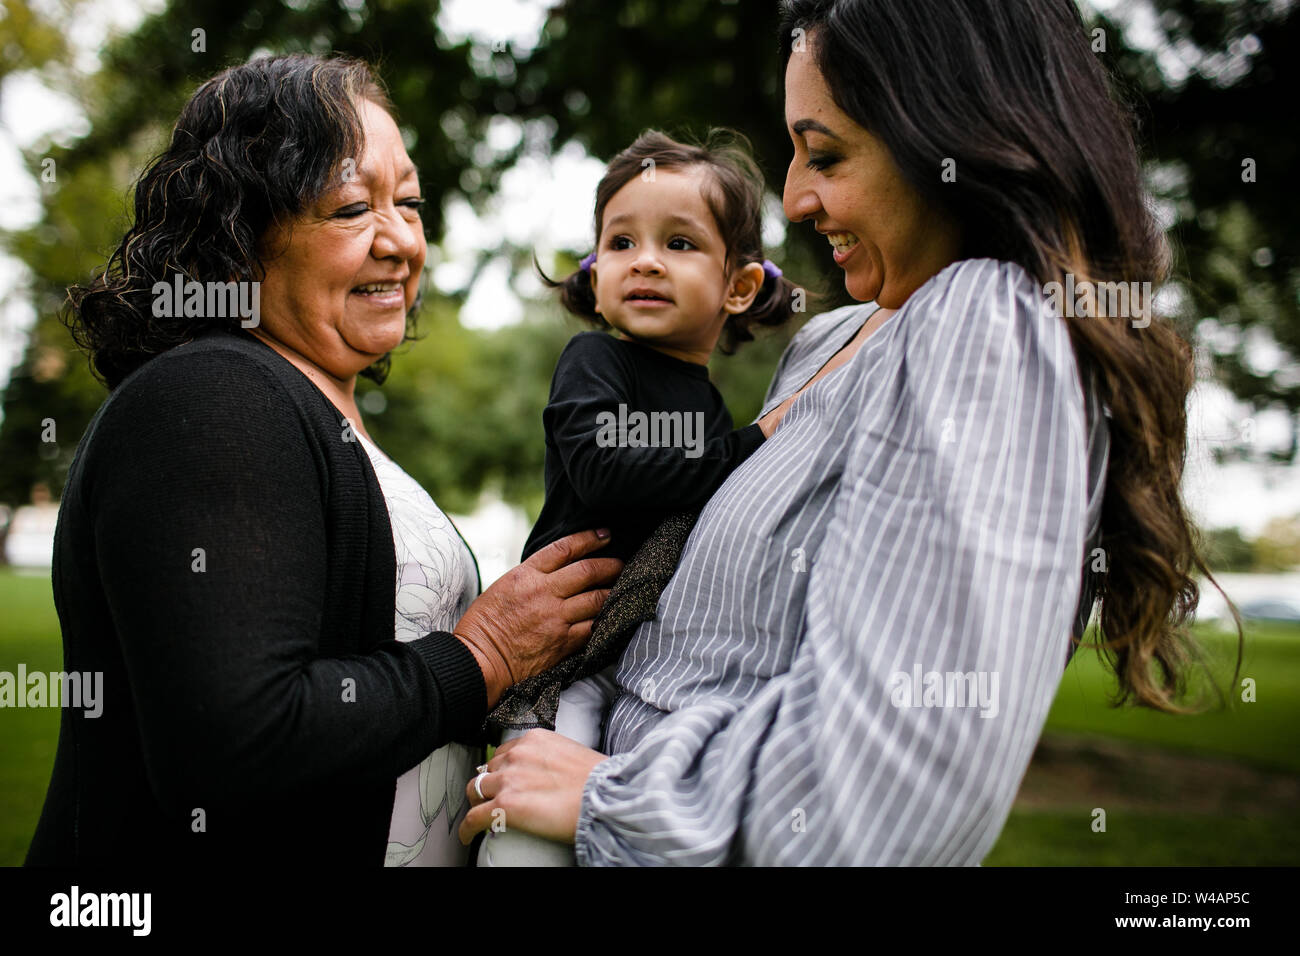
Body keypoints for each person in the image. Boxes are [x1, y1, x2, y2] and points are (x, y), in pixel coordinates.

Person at [459, 0, 1239, 865]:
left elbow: (884, 799)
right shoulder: (833, 338)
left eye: (825, 154)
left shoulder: (987, 322)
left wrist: (610, 796)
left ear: (951, 141)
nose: (793, 198)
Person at [24, 54, 622, 868]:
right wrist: (481, 659)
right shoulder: (212, 396)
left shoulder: (309, 408)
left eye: (408, 202)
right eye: (350, 207)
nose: (400, 240)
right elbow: (231, 742)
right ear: (242, 230)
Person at [478, 130, 800, 865]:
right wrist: (748, 448)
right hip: (565, 653)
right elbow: (604, 469)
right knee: (526, 833)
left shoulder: (707, 408)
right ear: (595, 275)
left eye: (680, 243)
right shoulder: (595, 361)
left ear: (739, 286)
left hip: (643, 666)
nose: (646, 259)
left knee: (607, 830)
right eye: (620, 243)